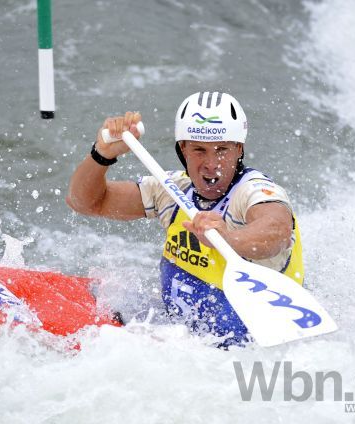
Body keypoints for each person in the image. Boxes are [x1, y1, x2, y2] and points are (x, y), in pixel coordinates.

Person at [66, 91, 304, 347]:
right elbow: (86, 202)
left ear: (239, 149)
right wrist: (102, 155)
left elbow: (277, 231)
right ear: (183, 150)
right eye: (199, 150)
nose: (211, 164)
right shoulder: (172, 190)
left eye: (222, 149)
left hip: (245, 348)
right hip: (178, 335)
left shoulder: (255, 191)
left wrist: (229, 237)